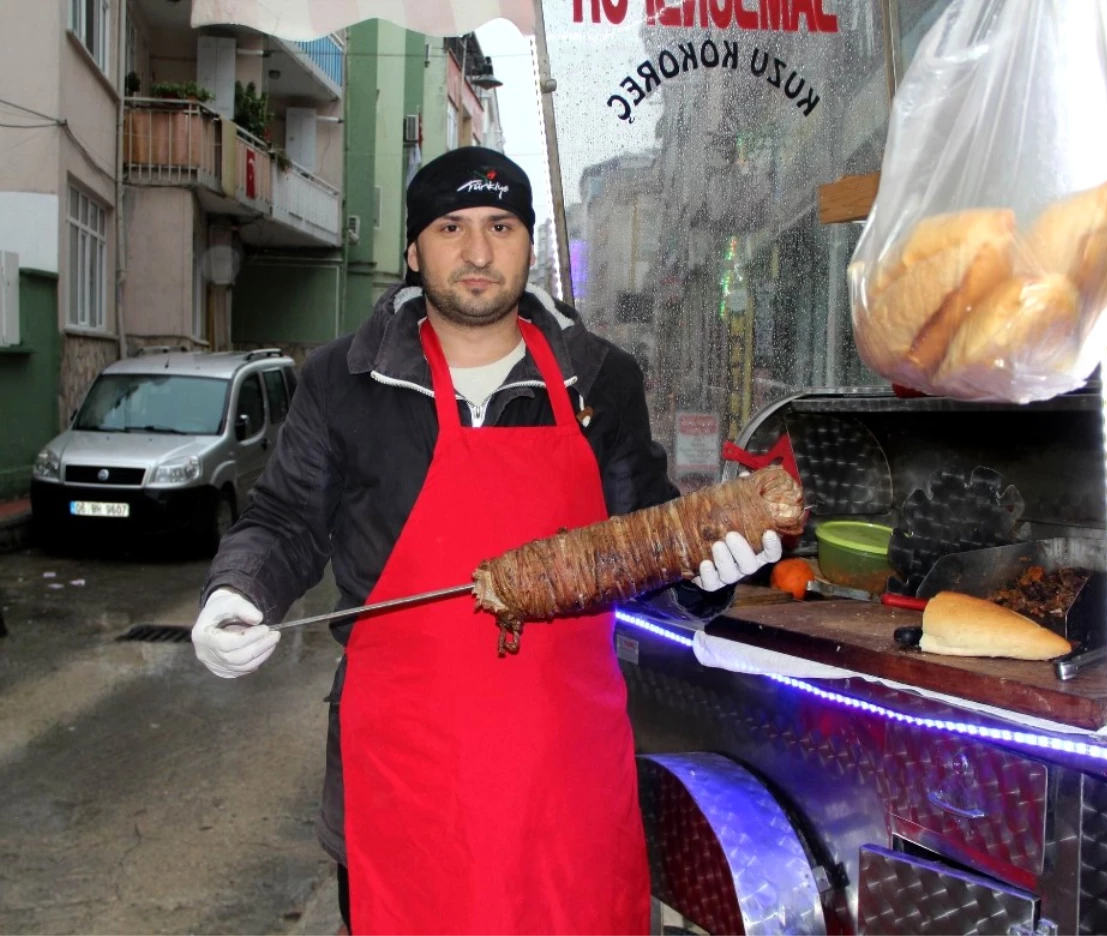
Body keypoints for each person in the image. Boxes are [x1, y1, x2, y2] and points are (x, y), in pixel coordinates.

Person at [190, 147, 782, 935]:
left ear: (529, 244)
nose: (476, 252)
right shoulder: (343, 381)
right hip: (404, 772)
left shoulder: (600, 381)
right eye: (451, 227)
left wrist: (712, 573)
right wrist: (239, 589)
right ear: (413, 250)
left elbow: (653, 539)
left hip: (563, 774)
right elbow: (286, 520)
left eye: (500, 226)